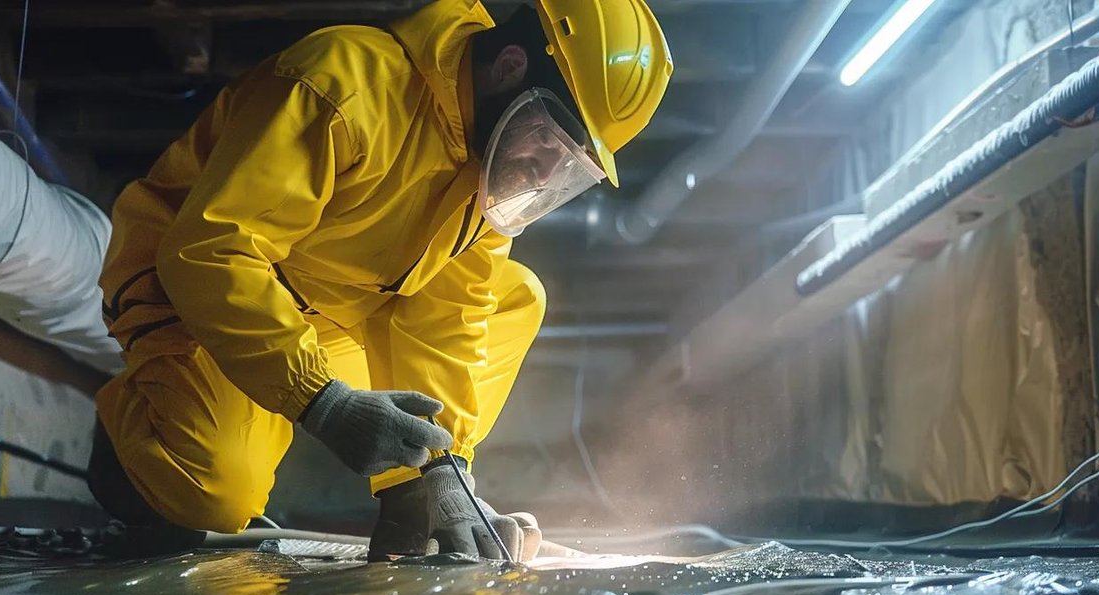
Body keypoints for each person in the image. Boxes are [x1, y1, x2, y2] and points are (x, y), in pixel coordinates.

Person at [85, 0, 672, 560]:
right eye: (549, 138)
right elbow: (212, 251)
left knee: (515, 296)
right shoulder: (342, 85)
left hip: (332, 315)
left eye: (568, 161)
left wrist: (436, 471)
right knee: (212, 497)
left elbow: (448, 314)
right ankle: (131, 440)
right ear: (511, 68)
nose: (546, 171)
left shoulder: (489, 172)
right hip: (196, 294)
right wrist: (323, 401)